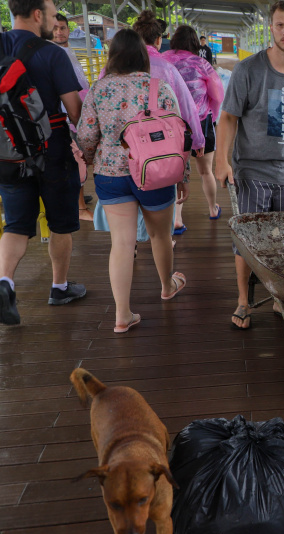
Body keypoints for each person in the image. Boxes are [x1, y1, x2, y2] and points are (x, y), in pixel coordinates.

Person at [215, 0, 284, 330]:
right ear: (271, 28)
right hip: (250, 169)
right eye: (280, 25)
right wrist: (222, 161)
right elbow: (228, 118)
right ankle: (244, 301)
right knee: (248, 239)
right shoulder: (248, 70)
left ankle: (282, 296)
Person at [77, 29, 188, 333]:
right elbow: (179, 135)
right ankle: (167, 286)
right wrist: (183, 175)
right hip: (155, 173)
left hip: (111, 176)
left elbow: (86, 136)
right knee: (160, 236)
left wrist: (92, 159)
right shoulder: (159, 87)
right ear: (142, 53)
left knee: (122, 243)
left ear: (112, 55)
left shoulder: (99, 89)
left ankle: (122, 315)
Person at [0, 0, 85, 325]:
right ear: (38, 15)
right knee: (61, 222)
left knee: (16, 225)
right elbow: (74, 111)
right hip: (53, 150)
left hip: (8, 150)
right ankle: (59, 287)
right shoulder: (53, 54)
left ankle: (5, 282)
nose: (53, 21)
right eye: (51, 15)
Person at [131, 11, 204, 234]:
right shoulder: (167, 69)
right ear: (159, 40)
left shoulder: (115, 67)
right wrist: (197, 141)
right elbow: (186, 109)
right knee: (159, 199)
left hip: (126, 148)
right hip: (160, 147)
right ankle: (162, 237)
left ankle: (132, 240)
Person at [163, 26, 224, 222]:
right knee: (206, 171)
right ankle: (212, 209)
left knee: (176, 173)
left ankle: (177, 219)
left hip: (170, 125)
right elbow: (218, 94)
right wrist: (212, 115)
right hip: (201, 122)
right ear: (195, 43)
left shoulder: (163, 60)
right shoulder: (201, 64)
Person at [52, 13, 93, 222]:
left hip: (77, 112)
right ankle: (79, 208)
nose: (59, 32)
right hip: (69, 116)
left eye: (62, 28)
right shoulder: (55, 53)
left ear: (69, 29)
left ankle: (77, 198)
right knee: (77, 160)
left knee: (77, 160)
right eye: (55, 28)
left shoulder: (67, 52)